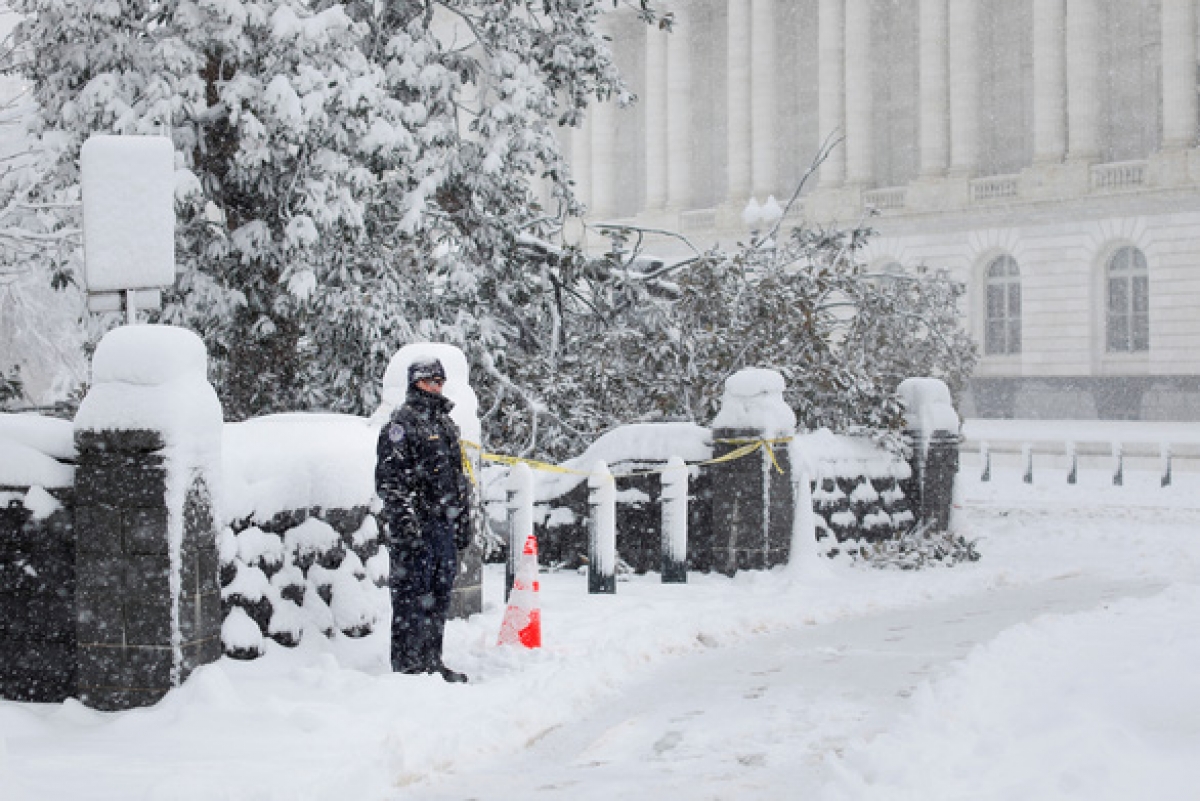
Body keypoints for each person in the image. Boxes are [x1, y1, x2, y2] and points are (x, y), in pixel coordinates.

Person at [375, 358, 473, 682]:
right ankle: (409, 668)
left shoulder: (444, 424)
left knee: (438, 596)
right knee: (412, 599)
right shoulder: (401, 424)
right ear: (416, 383)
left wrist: (462, 519)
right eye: (430, 381)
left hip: (443, 525)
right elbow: (391, 481)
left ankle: (432, 662)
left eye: (440, 381)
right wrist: (406, 524)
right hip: (417, 528)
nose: (436, 387)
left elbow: (457, 477)